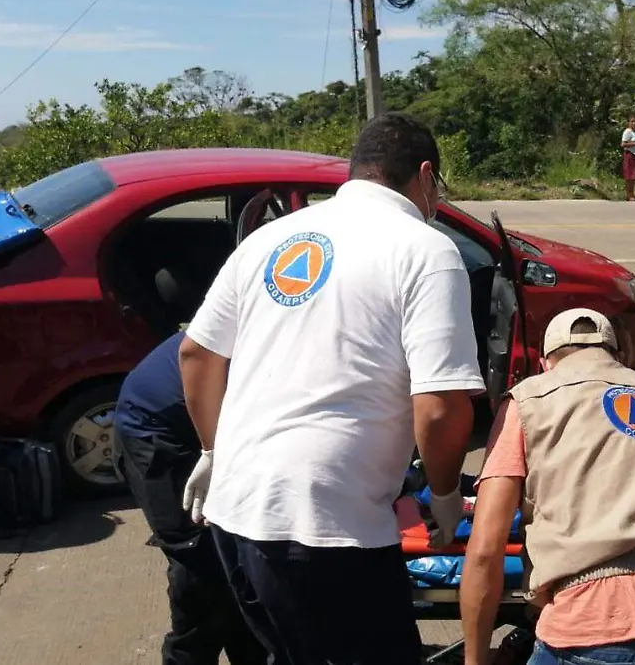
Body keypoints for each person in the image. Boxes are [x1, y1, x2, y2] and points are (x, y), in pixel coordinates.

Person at [177, 111, 486, 665]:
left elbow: (196, 354)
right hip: (326, 527)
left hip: (236, 515)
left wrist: (211, 451)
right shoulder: (426, 249)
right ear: (424, 175)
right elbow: (440, 406)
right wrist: (443, 496)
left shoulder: (270, 239)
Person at [461, 308, 635, 665]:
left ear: (546, 363)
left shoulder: (529, 400)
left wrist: (475, 659)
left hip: (596, 622)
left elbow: (485, 550)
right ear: (619, 356)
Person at [114, 331, 268, 665]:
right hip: (157, 427)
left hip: (216, 423)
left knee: (241, 563)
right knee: (200, 570)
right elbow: (192, 353)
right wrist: (213, 452)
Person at [621, 115, 635, 201]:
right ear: (629, 123)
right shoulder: (627, 132)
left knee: (633, 176)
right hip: (630, 155)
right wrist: (634, 144)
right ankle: (629, 195)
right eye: (632, 121)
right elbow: (623, 144)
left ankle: (632, 194)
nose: (633, 123)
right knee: (629, 176)